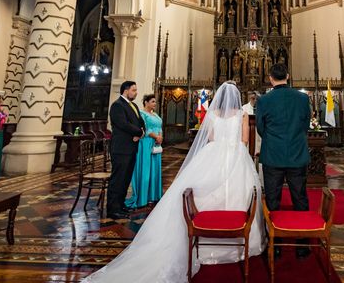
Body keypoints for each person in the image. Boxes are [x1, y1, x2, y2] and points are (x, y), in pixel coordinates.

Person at [81, 81, 264, 283]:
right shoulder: (242, 115)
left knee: (204, 191)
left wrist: (221, 147)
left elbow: (211, 138)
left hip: (214, 154)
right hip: (236, 155)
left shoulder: (212, 115)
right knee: (239, 192)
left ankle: (203, 232)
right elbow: (245, 140)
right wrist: (232, 148)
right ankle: (237, 232)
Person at [256, 63, 311, 258]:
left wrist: (273, 139)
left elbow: (260, 128)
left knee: (272, 199)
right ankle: (303, 244)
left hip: (272, 154)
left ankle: (275, 244)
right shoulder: (303, 98)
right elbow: (306, 124)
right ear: (288, 76)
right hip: (297, 153)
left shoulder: (263, 100)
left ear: (271, 78)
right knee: (300, 197)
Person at [107, 81, 145, 219]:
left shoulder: (133, 105)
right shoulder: (117, 105)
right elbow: (122, 124)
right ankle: (113, 209)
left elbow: (141, 123)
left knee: (126, 179)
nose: (136, 92)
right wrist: (138, 133)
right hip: (121, 148)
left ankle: (121, 205)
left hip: (131, 148)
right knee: (118, 179)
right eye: (134, 90)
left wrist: (141, 132)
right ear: (125, 91)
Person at [125, 94, 163, 209]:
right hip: (146, 142)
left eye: (155, 102)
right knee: (146, 169)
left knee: (154, 169)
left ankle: (154, 195)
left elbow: (160, 126)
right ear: (146, 102)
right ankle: (143, 197)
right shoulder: (142, 114)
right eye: (152, 101)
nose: (155, 104)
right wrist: (156, 136)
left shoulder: (155, 114)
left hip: (156, 143)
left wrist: (160, 137)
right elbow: (145, 129)